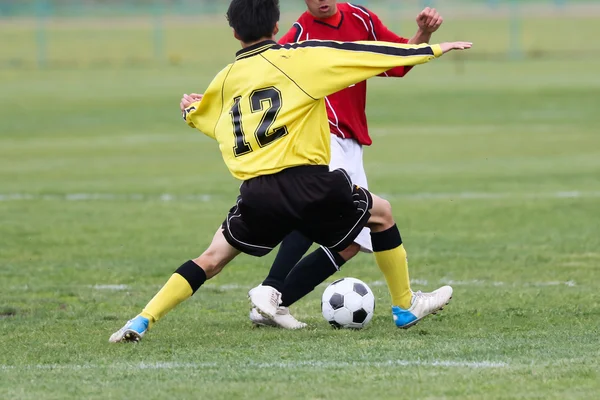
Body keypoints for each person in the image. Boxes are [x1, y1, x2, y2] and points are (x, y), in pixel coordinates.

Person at [109, 0, 471, 343]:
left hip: (256, 194)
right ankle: (405, 306)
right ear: (277, 25)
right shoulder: (299, 59)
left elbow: (208, 118)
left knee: (211, 259)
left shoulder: (225, 79)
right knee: (382, 214)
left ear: (235, 33)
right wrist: (433, 49)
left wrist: (189, 112)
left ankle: (142, 319)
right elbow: (369, 56)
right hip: (309, 182)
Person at [248, 1, 449, 329]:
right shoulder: (299, 34)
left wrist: (423, 33)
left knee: (354, 239)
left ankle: (273, 302)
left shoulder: (361, 17)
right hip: (324, 138)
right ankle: (405, 305)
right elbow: (258, 73)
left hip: (350, 144)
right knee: (323, 212)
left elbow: (397, 61)